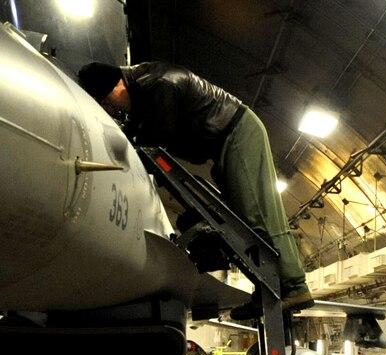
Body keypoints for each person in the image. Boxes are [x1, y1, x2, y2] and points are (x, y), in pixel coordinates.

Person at [77, 61, 312, 317]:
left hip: (238, 133)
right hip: (223, 143)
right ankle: (266, 290)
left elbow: (158, 135)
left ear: (117, 85)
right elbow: (140, 129)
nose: (110, 109)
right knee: (239, 223)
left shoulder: (158, 84)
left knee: (257, 212)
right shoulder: (143, 89)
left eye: (107, 101)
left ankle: (294, 287)